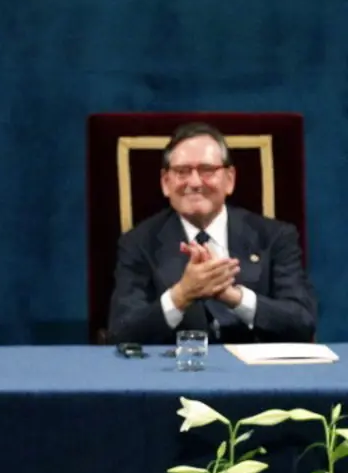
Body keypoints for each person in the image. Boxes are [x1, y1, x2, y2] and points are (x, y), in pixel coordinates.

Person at [108, 122, 316, 345]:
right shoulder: (138, 243)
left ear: (230, 179)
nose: (195, 182)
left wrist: (235, 297)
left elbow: (303, 322)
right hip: (177, 365)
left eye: (207, 170)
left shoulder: (275, 236)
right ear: (166, 182)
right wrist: (181, 295)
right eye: (182, 171)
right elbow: (121, 332)